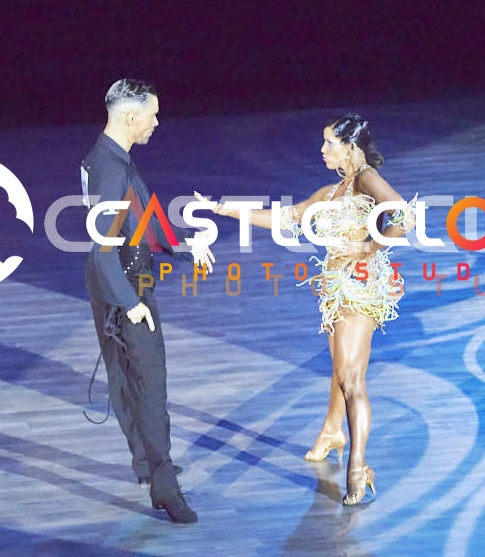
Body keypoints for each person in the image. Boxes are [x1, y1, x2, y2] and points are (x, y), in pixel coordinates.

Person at [202, 114, 414, 505]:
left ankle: (358, 467)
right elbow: (286, 218)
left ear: (350, 147)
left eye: (329, 142)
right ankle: (333, 432)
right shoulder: (330, 192)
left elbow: (404, 215)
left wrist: (369, 247)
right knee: (341, 372)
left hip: (359, 287)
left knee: (351, 378)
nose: (322, 149)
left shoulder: (365, 178)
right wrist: (226, 210)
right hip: (334, 290)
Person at [81, 78, 214, 523]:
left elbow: (140, 220)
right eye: (153, 115)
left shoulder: (109, 158)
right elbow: (103, 248)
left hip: (121, 280)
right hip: (125, 285)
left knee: (131, 380)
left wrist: (184, 247)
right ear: (131, 116)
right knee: (149, 385)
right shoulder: (111, 169)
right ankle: (164, 485)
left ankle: (150, 465)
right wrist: (129, 301)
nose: (157, 122)